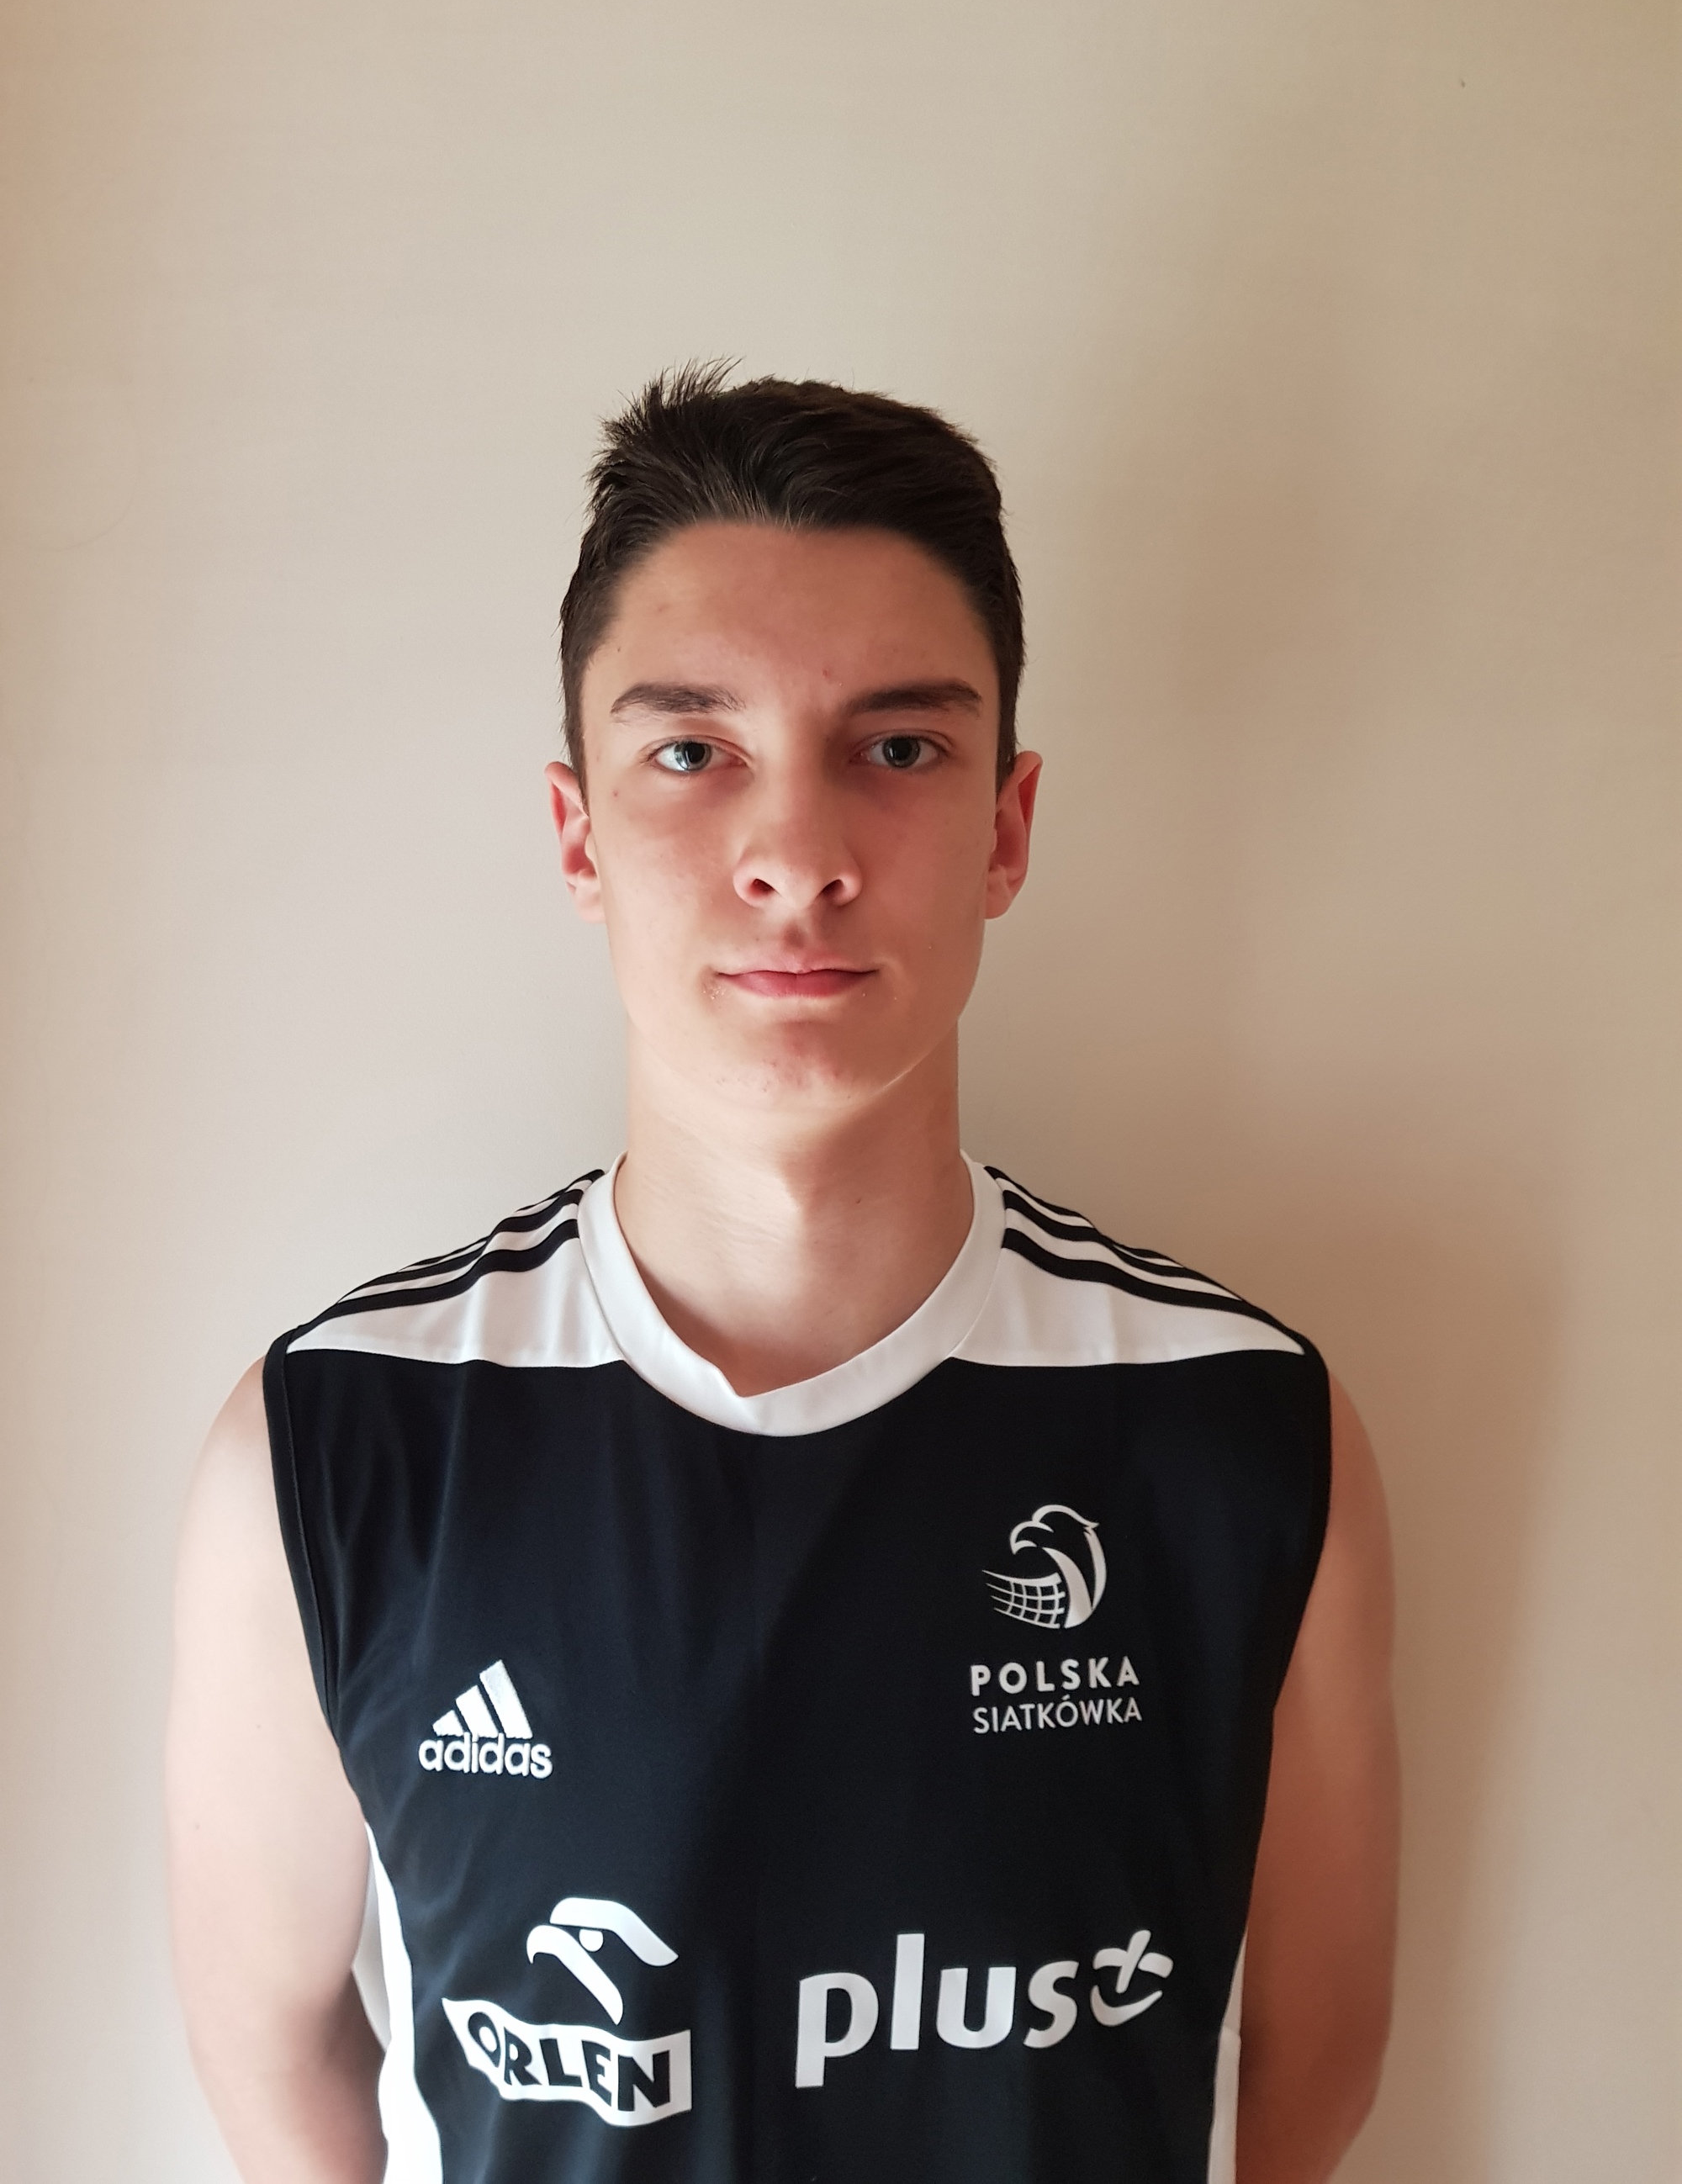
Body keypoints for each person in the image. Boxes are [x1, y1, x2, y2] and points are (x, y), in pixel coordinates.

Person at [167, 368, 1399, 2184]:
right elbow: (278, 2060)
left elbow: (1314, 2059)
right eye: (692, 751)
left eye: (896, 750)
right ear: (579, 832)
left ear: (1006, 827)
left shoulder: (1242, 1429)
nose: (798, 859)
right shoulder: (336, 1446)